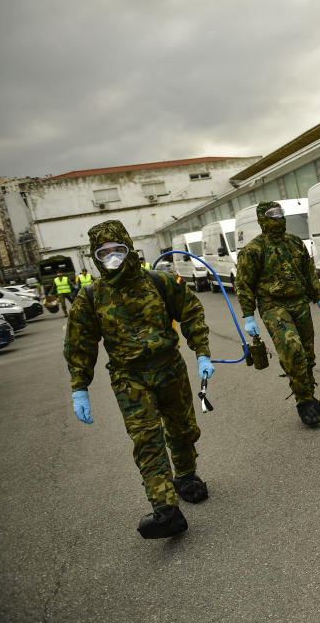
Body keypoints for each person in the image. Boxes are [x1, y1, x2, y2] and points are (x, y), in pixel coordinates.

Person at [64, 220, 215, 539]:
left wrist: (201, 351)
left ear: (129, 248)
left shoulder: (159, 282)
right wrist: (80, 387)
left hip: (169, 368)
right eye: (103, 252)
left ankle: (186, 476)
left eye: (117, 249)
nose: (112, 257)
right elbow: (81, 344)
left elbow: (190, 312)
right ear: (95, 257)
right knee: (147, 439)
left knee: (183, 428)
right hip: (128, 378)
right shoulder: (90, 297)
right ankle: (166, 510)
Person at [236, 201, 320, 427]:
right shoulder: (253, 250)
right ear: (262, 218)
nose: (278, 217)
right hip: (273, 306)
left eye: (280, 213)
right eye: (272, 214)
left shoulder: (294, 242)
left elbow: (309, 273)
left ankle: (309, 395)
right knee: (293, 350)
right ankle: (303, 403)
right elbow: (244, 285)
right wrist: (248, 315)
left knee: (308, 354)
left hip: (300, 303)